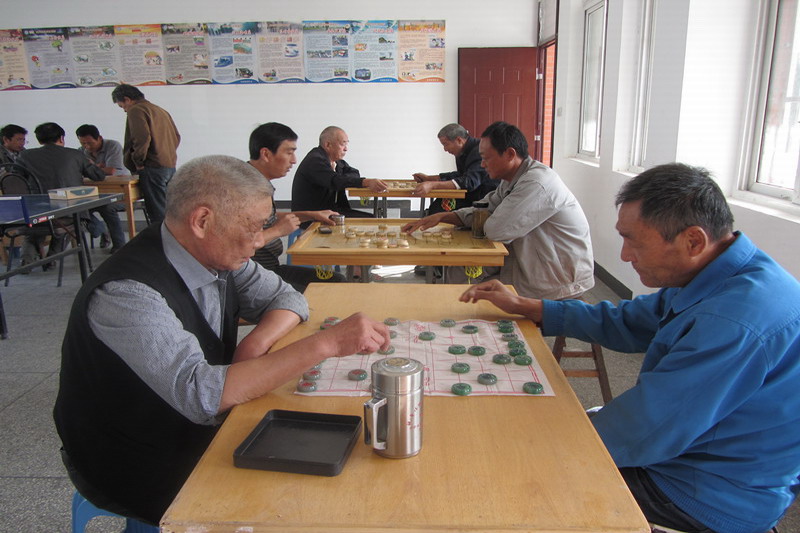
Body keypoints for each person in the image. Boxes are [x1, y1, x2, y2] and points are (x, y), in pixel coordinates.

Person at [459, 163, 800, 533]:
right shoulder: (718, 273)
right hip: (693, 453)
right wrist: (533, 308)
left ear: (693, 241)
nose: (624, 255)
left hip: (703, 492)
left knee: (516, 482)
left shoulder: (734, 321)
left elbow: (648, 427)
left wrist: (524, 445)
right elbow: (630, 321)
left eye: (634, 241)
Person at [53, 155, 390, 525]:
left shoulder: (216, 255)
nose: (260, 241)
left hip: (194, 424)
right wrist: (326, 344)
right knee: (301, 503)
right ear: (202, 221)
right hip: (132, 457)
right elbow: (202, 395)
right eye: (254, 227)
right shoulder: (126, 293)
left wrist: (254, 343)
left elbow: (288, 297)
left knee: (337, 460)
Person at [402, 121, 594, 300]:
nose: (482, 164)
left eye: (486, 158)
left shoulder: (536, 183)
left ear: (510, 154)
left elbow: (496, 230)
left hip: (553, 276)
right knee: (457, 269)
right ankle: (452, 313)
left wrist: (488, 216)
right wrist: (443, 216)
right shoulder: (511, 179)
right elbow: (485, 207)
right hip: (524, 261)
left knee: (467, 288)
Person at [248, 122, 346, 291]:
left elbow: (268, 217)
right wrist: (278, 231)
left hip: (271, 268)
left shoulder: (259, 183)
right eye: (289, 153)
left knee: (338, 280)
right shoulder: (245, 188)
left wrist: (313, 215)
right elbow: (237, 247)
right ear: (266, 154)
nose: (294, 160)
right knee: (327, 291)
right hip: (252, 277)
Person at [16, 122, 127, 259]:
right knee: (69, 224)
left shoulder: (25, 156)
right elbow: (98, 176)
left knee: (34, 232)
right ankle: (52, 258)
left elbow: (16, 180)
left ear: (39, 140)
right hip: (70, 213)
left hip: (37, 213)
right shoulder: (75, 154)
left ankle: (27, 260)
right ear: (61, 138)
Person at [111, 83, 181, 225]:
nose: (124, 110)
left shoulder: (136, 110)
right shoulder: (160, 110)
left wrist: (138, 161)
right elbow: (177, 136)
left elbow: (141, 138)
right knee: (169, 210)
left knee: (158, 213)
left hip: (151, 167)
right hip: (169, 165)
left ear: (127, 99)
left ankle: (160, 239)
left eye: (122, 106)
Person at [291, 125, 387, 227]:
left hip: (331, 210)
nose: (346, 149)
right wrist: (366, 182)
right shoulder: (315, 160)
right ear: (328, 145)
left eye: (347, 144)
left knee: (372, 219)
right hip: (312, 216)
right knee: (371, 221)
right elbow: (335, 181)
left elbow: (354, 173)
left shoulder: (336, 161)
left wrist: (339, 176)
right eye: (342, 144)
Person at [411, 123, 497, 214]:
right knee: (436, 207)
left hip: (483, 199)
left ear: (459, 140)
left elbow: (469, 182)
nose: (445, 149)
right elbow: (461, 174)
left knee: (438, 211)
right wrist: (430, 178)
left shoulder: (479, 151)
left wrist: (433, 185)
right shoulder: (462, 150)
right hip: (471, 194)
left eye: (446, 144)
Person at [76, 124, 129, 248]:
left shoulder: (113, 146)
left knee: (107, 207)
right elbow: (79, 172)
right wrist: (98, 167)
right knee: (77, 208)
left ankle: (119, 245)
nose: (87, 147)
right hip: (96, 193)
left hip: (120, 192)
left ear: (99, 138)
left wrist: (92, 168)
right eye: (83, 143)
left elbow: (112, 171)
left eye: (90, 143)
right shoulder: (80, 151)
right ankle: (101, 229)